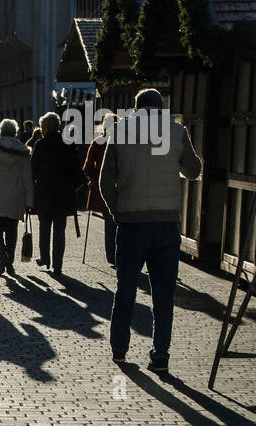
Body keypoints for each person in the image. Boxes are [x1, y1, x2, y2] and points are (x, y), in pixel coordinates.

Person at [100, 88, 202, 371]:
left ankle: (119, 350)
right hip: (166, 223)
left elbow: (104, 180)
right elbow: (194, 170)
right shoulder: (177, 131)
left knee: (125, 290)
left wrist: (115, 210)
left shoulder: (120, 131)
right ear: (161, 107)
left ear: (135, 108)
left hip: (131, 223)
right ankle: (160, 355)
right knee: (163, 294)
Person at [30, 110, 85, 275]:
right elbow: (76, 168)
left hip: (45, 193)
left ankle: (45, 258)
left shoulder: (41, 145)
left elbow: (32, 169)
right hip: (64, 194)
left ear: (46, 127)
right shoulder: (68, 144)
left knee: (44, 227)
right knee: (60, 231)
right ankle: (58, 264)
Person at [0, 117, 33, 275]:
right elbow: (27, 177)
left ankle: (3, 258)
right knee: (12, 230)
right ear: (15, 133)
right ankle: (8, 259)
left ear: (0, 131)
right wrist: (29, 201)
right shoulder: (22, 151)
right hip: (15, 196)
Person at [83, 114, 117, 267]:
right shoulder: (123, 143)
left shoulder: (97, 143)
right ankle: (118, 253)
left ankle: (111, 255)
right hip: (121, 186)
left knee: (109, 221)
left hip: (101, 187)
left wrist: (94, 178)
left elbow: (87, 167)